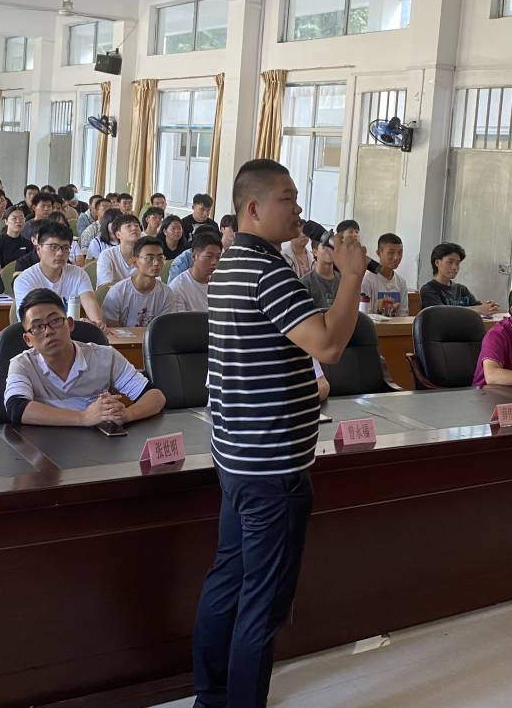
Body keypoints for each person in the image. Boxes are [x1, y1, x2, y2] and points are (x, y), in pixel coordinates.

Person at [193, 159, 368, 708]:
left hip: (238, 455)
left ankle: (211, 696)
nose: (298, 208)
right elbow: (329, 346)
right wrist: (352, 278)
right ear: (253, 208)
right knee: (262, 601)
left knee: (229, 578)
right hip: (271, 466)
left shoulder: (233, 264)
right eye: (287, 198)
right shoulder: (267, 272)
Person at [3, 289, 165, 426]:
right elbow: (16, 409)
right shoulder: (22, 364)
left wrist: (127, 415)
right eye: (37, 327)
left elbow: (155, 396)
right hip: (42, 446)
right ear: (28, 340)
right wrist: (83, 417)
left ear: (70, 324)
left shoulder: (105, 356)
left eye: (55, 321)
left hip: (97, 445)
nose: (48, 331)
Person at [12, 220, 103, 326]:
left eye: (65, 248)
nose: (60, 253)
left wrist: (97, 323)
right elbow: (33, 321)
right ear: (38, 248)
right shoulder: (24, 280)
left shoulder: (78, 274)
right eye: (53, 247)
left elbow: (89, 302)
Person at [102, 235, 174, 327]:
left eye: (160, 258)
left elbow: (165, 328)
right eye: (149, 258)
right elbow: (111, 328)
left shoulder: (166, 294)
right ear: (135, 262)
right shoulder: (118, 291)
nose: (156, 263)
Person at [419, 243, 500, 314]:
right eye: (450, 262)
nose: (455, 267)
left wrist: (489, 307)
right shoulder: (428, 290)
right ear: (437, 263)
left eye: (457, 263)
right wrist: (477, 309)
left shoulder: (462, 289)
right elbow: (441, 314)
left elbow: (479, 307)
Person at [169, 228, 221, 312]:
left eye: (218, 257)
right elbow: (178, 319)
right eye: (209, 256)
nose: (214, 262)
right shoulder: (178, 287)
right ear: (194, 256)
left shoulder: (220, 282)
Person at [361, 233, 408, 317]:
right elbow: (365, 315)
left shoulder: (401, 282)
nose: (396, 257)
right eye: (391, 253)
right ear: (379, 253)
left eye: (400, 252)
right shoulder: (367, 280)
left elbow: (403, 314)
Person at [97, 212, 141, 286]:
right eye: (128, 226)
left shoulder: (146, 254)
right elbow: (106, 286)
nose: (134, 228)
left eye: (136, 225)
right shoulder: (107, 255)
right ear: (118, 234)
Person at [0, 205, 36, 273]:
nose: (18, 221)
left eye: (21, 218)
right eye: (14, 218)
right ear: (6, 221)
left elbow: (32, 268)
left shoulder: (28, 243)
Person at [302, 238, 341, 310]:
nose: (330, 250)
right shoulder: (305, 283)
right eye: (325, 246)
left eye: (332, 246)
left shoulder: (344, 280)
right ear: (315, 252)